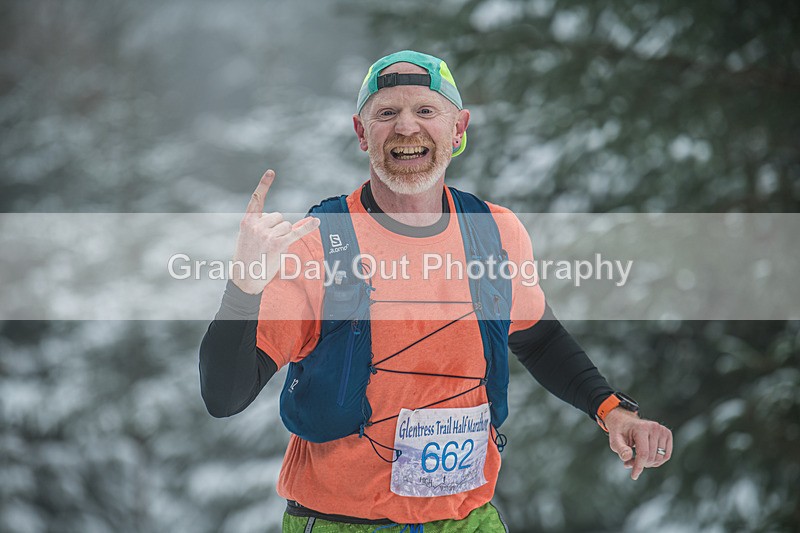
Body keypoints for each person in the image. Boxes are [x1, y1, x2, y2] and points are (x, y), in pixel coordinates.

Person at [199, 50, 672, 532]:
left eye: (426, 110)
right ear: (362, 134)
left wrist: (613, 412)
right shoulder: (320, 245)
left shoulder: (495, 232)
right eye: (386, 113)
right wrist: (244, 286)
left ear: (458, 128)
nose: (407, 128)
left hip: (468, 519)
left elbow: (539, 337)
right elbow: (225, 395)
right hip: (345, 522)